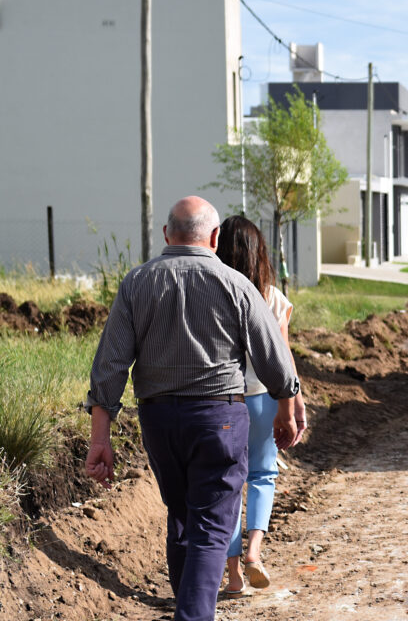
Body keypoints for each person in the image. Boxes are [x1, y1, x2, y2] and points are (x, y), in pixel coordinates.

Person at [83, 196, 300, 621]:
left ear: (166, 234)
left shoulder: (136, 283)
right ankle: (195, 615)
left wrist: (99, 438)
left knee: (182, 513)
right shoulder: (236, 285)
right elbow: (275, 362)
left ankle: (189, 605)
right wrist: (288, 405)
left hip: (158, 420)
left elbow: (110, 365)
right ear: (215, 237)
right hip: (219, 418)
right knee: (212, 525)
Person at [214, 215, 306, 596]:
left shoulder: (214, 291)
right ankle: (255, 552)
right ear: (260, 253)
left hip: (224, 401)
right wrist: (296, 405)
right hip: (266, 400)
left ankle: (233, 575)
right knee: (263, 476)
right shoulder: (271, 298)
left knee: (228, 485)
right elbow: (284, 359)